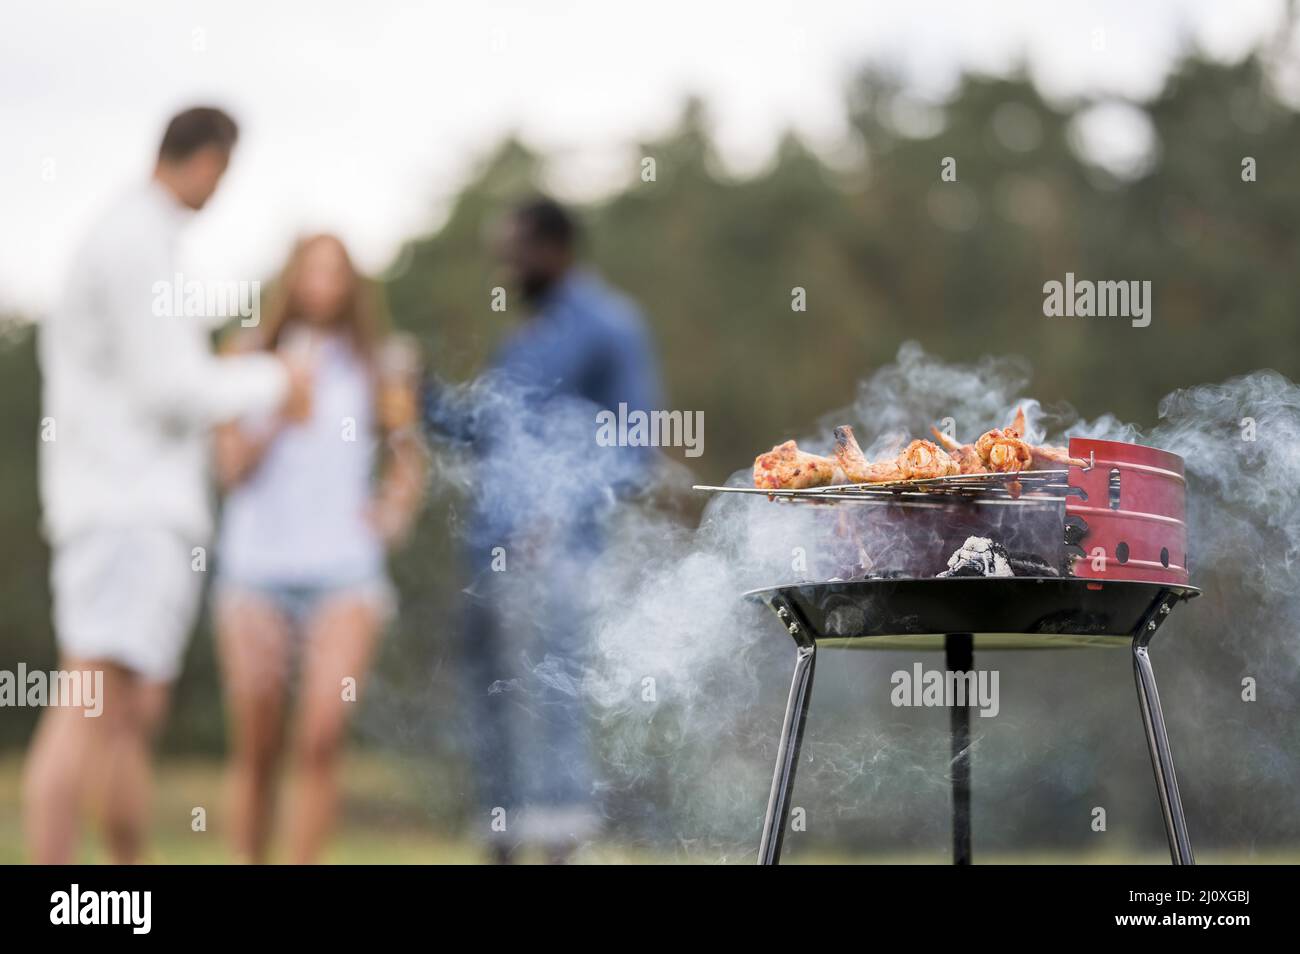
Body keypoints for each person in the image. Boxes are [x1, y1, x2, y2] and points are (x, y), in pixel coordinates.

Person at [25, 107, 311, 864]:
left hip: (127, 508)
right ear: (209, 159)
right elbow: (171, 389)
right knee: (89, 699)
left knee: (127, 711)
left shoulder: (135, 235)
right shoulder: (135, 240)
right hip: (124, 507)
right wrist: (276, 378)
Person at [425, 197, 661, 863]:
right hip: (488, 552)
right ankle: (499, 843)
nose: (506, 266)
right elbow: (483, 432)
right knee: (490, 701)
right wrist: (423, 394)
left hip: (555, 551)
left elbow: (634, 446)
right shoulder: (523, 338)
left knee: (550, 700)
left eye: (515, 251)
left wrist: (559, 513)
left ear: (555, 248)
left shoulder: (611, 325)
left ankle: (560, 848)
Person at [213, 234, 426, 864]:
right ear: (292, 279)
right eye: (313, 270)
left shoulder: (382, 365)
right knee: (257, 748)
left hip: (345, 574)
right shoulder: (246, 356)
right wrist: (281, 407)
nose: (324, 284)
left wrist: (392, 509)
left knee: (322, 739)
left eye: (337, 271)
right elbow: (229, 470)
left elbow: (407, 456)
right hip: (256, 572)